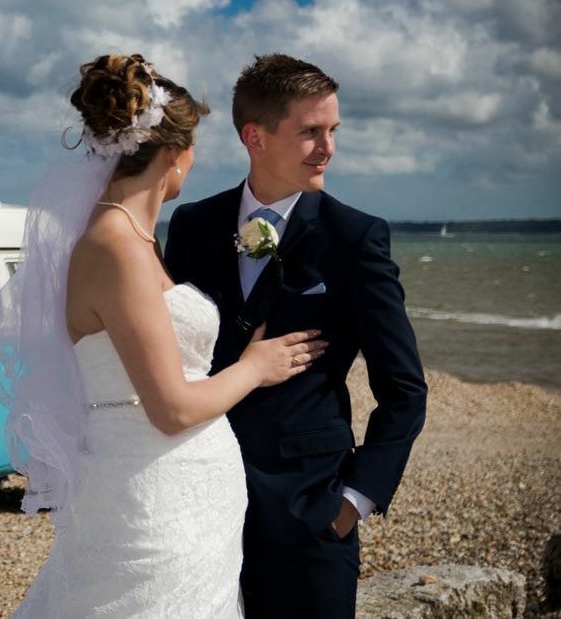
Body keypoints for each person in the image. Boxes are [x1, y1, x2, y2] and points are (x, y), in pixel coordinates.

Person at [0, 53, 325, 617]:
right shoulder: (116, 248)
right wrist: (254, 368)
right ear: (174, 153)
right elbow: (171, 410)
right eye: (193, 149)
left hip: (183, 499)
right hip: (154, 505)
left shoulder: (129, 240)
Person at [165, 53, 428, 618]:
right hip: (198, 501)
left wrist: (351, 503)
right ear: (254, 136)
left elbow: (405, 388)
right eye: (310, 131)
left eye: (333, 130)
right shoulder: (192, 226)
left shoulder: (355, 238)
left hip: (309, 514)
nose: (327, 147)